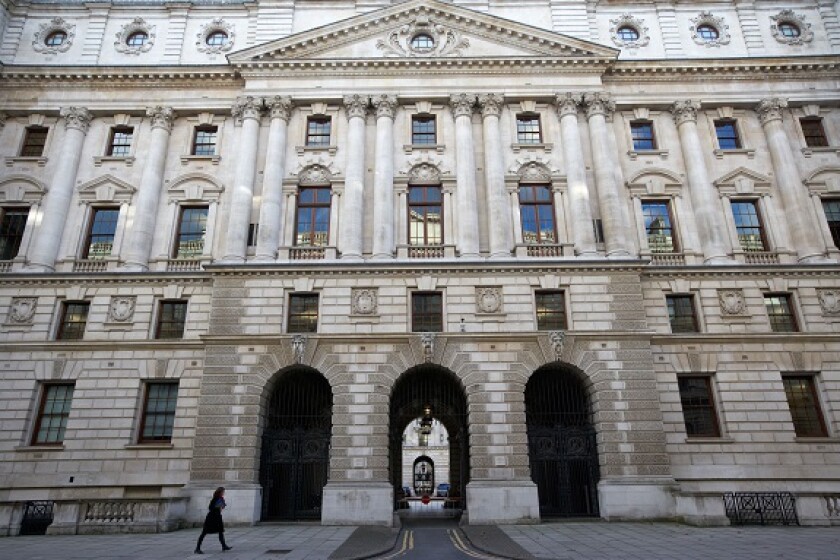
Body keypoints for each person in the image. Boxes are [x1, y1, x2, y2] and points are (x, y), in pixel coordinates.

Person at [195, 487, 232, 554]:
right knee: (204, 533)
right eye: (223, 492)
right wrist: (218, 506)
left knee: (220, 531)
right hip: (211, 518)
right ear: (219, 492)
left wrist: (221, 506)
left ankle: (224, 546)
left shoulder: (220, 499)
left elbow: (221, 507)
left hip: (217, 517)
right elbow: (210, 507)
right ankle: (197, 548)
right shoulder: (215, 499)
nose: (224, 493)